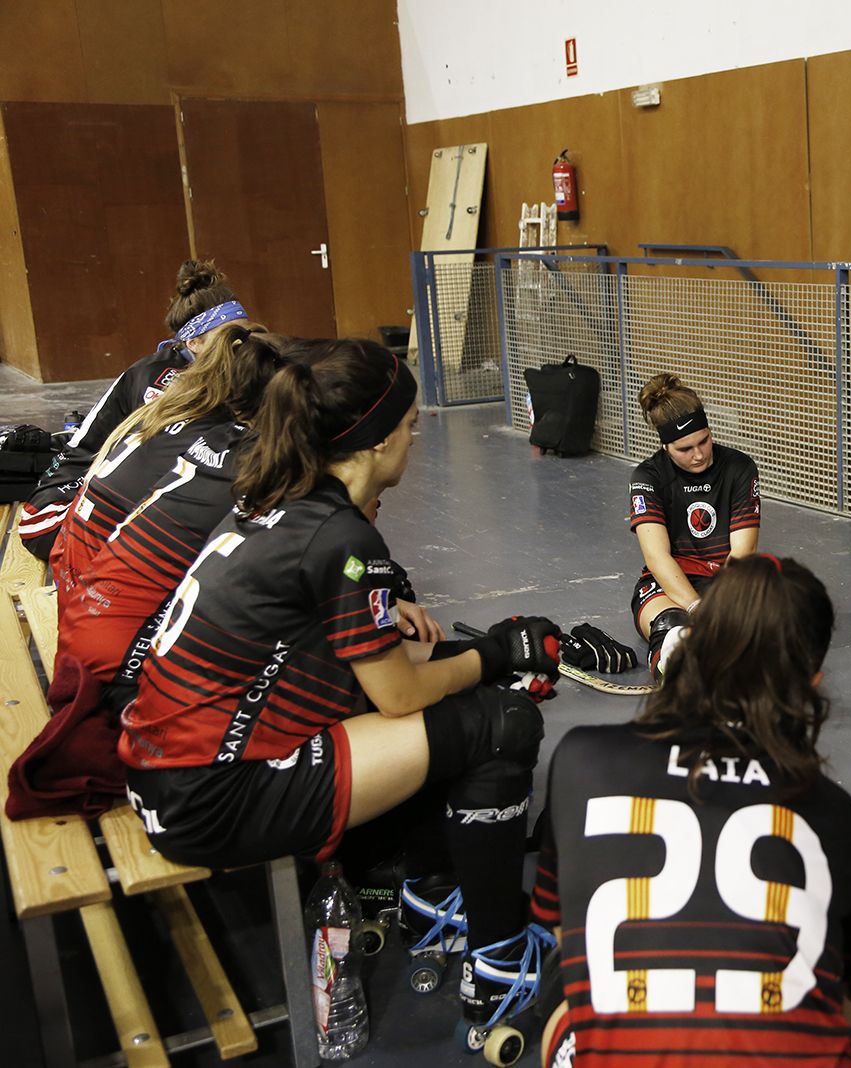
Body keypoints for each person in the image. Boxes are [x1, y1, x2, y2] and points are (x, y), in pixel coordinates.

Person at [117, 338, 562, 1033]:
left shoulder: (278, 498)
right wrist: (502, 653)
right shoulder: (340, 538)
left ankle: (427, 896)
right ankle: (499, 963)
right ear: (377, 443)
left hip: (166, 778)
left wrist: (448, 651)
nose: (414, 441)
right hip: (215, 799)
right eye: (410, 427)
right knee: (501, 722)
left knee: (440, 692)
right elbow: (401, 699)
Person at [532, 554, 851, 1066]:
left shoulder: (582, 758)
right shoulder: (835, 816)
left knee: (560, 986)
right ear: (812, 684)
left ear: (690, 647)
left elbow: (568, 936)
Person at [53, 326, 441, 696]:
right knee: (378, 672)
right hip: (122, 671)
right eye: (409, 426)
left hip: (89, 624)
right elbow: (332, 580)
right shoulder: (275, 474)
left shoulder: (229, 439)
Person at [19, 259, 251, 561]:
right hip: (55, 514)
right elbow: (169, 472)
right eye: (229, 337)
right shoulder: (162, 380)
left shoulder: (219, 368)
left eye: (245, 334)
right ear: (193, 342)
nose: (243, 345)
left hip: (109, 502)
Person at [626, 372, 760, 672]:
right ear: (665, 446)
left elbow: (742, 554)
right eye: (684, 449)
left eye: (704, 441)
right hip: (669, 585)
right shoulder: (648, 477)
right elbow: (656, 556)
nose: (698, 455)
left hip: (727, 582)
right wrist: (696, 608)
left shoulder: (739, 468)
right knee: (673, 629)